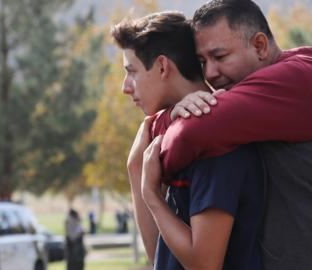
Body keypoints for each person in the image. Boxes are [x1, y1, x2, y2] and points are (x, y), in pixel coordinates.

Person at [153, 1, 312, 269]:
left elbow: (191, 134)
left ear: (260, 46)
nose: (210, 74)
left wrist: (154, 141)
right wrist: (171, 115)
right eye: (202, 61)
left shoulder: (298, 78)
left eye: (220, 57)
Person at [111, 11, 264, 269]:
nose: (125, 86)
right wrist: (136, 168)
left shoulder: (214, 137)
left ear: (162, 66)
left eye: (132, 71)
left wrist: (152, 195)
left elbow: (204, 264)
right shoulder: (173, 136)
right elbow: (157, 253)